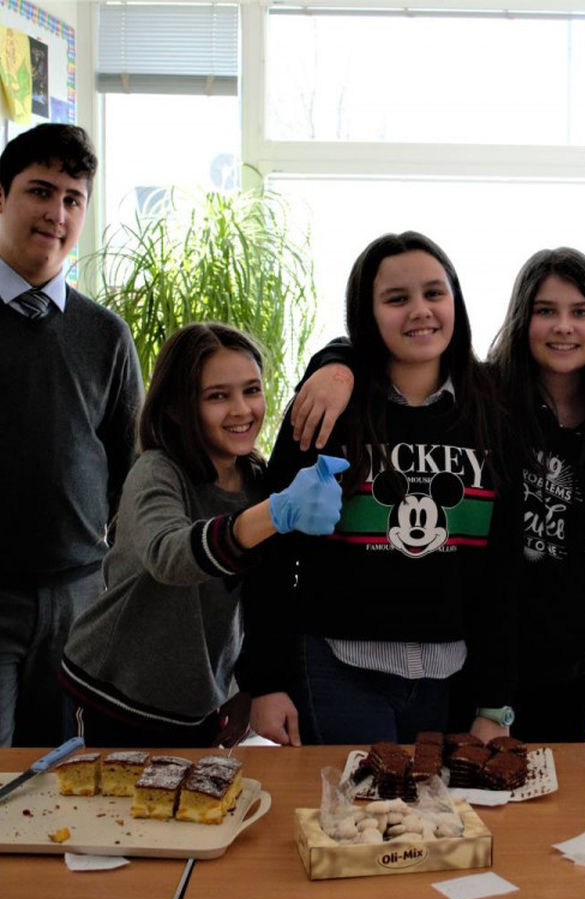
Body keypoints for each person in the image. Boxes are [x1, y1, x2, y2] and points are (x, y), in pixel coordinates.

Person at [244, 231, 519, 746]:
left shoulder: (494, 411)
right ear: (366, 313)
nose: (420, 311)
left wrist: (494, 701)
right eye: (396, 299)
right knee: (354, 802)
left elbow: (501, 572)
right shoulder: (327, 408)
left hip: (451, 678)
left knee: (442, 803)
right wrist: (266, 681)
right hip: (336, 667)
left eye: (434, 293)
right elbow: (272, 551)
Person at [60, 323, 346, 748]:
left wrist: (249, 686)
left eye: (252, 390)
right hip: (112, 694)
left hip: (197, 705)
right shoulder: (157, 471)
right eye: (217, 396)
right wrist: (273, 513)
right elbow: (170, 556)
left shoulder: (256, 480)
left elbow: (260, 596)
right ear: (178, 408)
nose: (241, 409)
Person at [0, 123, 143, 748]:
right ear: (1, 196)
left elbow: (128, 467)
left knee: (61, 771)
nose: (56, 213)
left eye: (73, 199)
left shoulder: (106, 334)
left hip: (80, 595)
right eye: (40, 191)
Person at [486, 248, 585, 742]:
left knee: (559, 781)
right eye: (546, 310)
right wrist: (334, 366)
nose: (563, 327)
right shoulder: (485, 395)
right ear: (522, 318)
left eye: (580, 312)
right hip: (485, 650)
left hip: (572, 655)